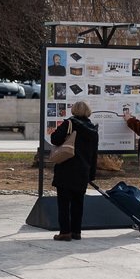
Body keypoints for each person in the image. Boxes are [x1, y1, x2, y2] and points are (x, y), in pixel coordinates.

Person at [50, 101, 98, 241]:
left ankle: (65, 232)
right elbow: (94, 154)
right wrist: (91, 174)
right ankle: (76, 231)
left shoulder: (69, 124)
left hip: (67, 167)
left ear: (74, 110)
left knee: (64, 202)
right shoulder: (92, 129)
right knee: (78, 202)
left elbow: (55, 139)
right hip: (83, 170)